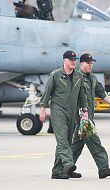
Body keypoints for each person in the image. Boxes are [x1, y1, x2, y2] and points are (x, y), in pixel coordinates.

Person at [39, 50, 88, 179]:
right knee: (61, 139)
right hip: (58, 110)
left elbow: (82, 95)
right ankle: (68, 164)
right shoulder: (55, 75)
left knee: (65, 141)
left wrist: (85, 111)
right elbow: (47, 92)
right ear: (64, 61)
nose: (73, 62)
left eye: (74, 59)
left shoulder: (79, 76)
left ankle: (57, 171)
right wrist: (43, 109)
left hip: (72, 111)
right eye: (70, 59)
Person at [71, 53, 110, 178]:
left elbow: (102, 94)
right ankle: (103, 168)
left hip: (89, 115)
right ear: (81, 63)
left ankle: (65, 167)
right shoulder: (76, 77)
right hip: (82, 116)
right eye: (88, 63)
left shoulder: (92, 77)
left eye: (91, 63)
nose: (90, 65)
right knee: (94, 141)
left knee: (77, 144)